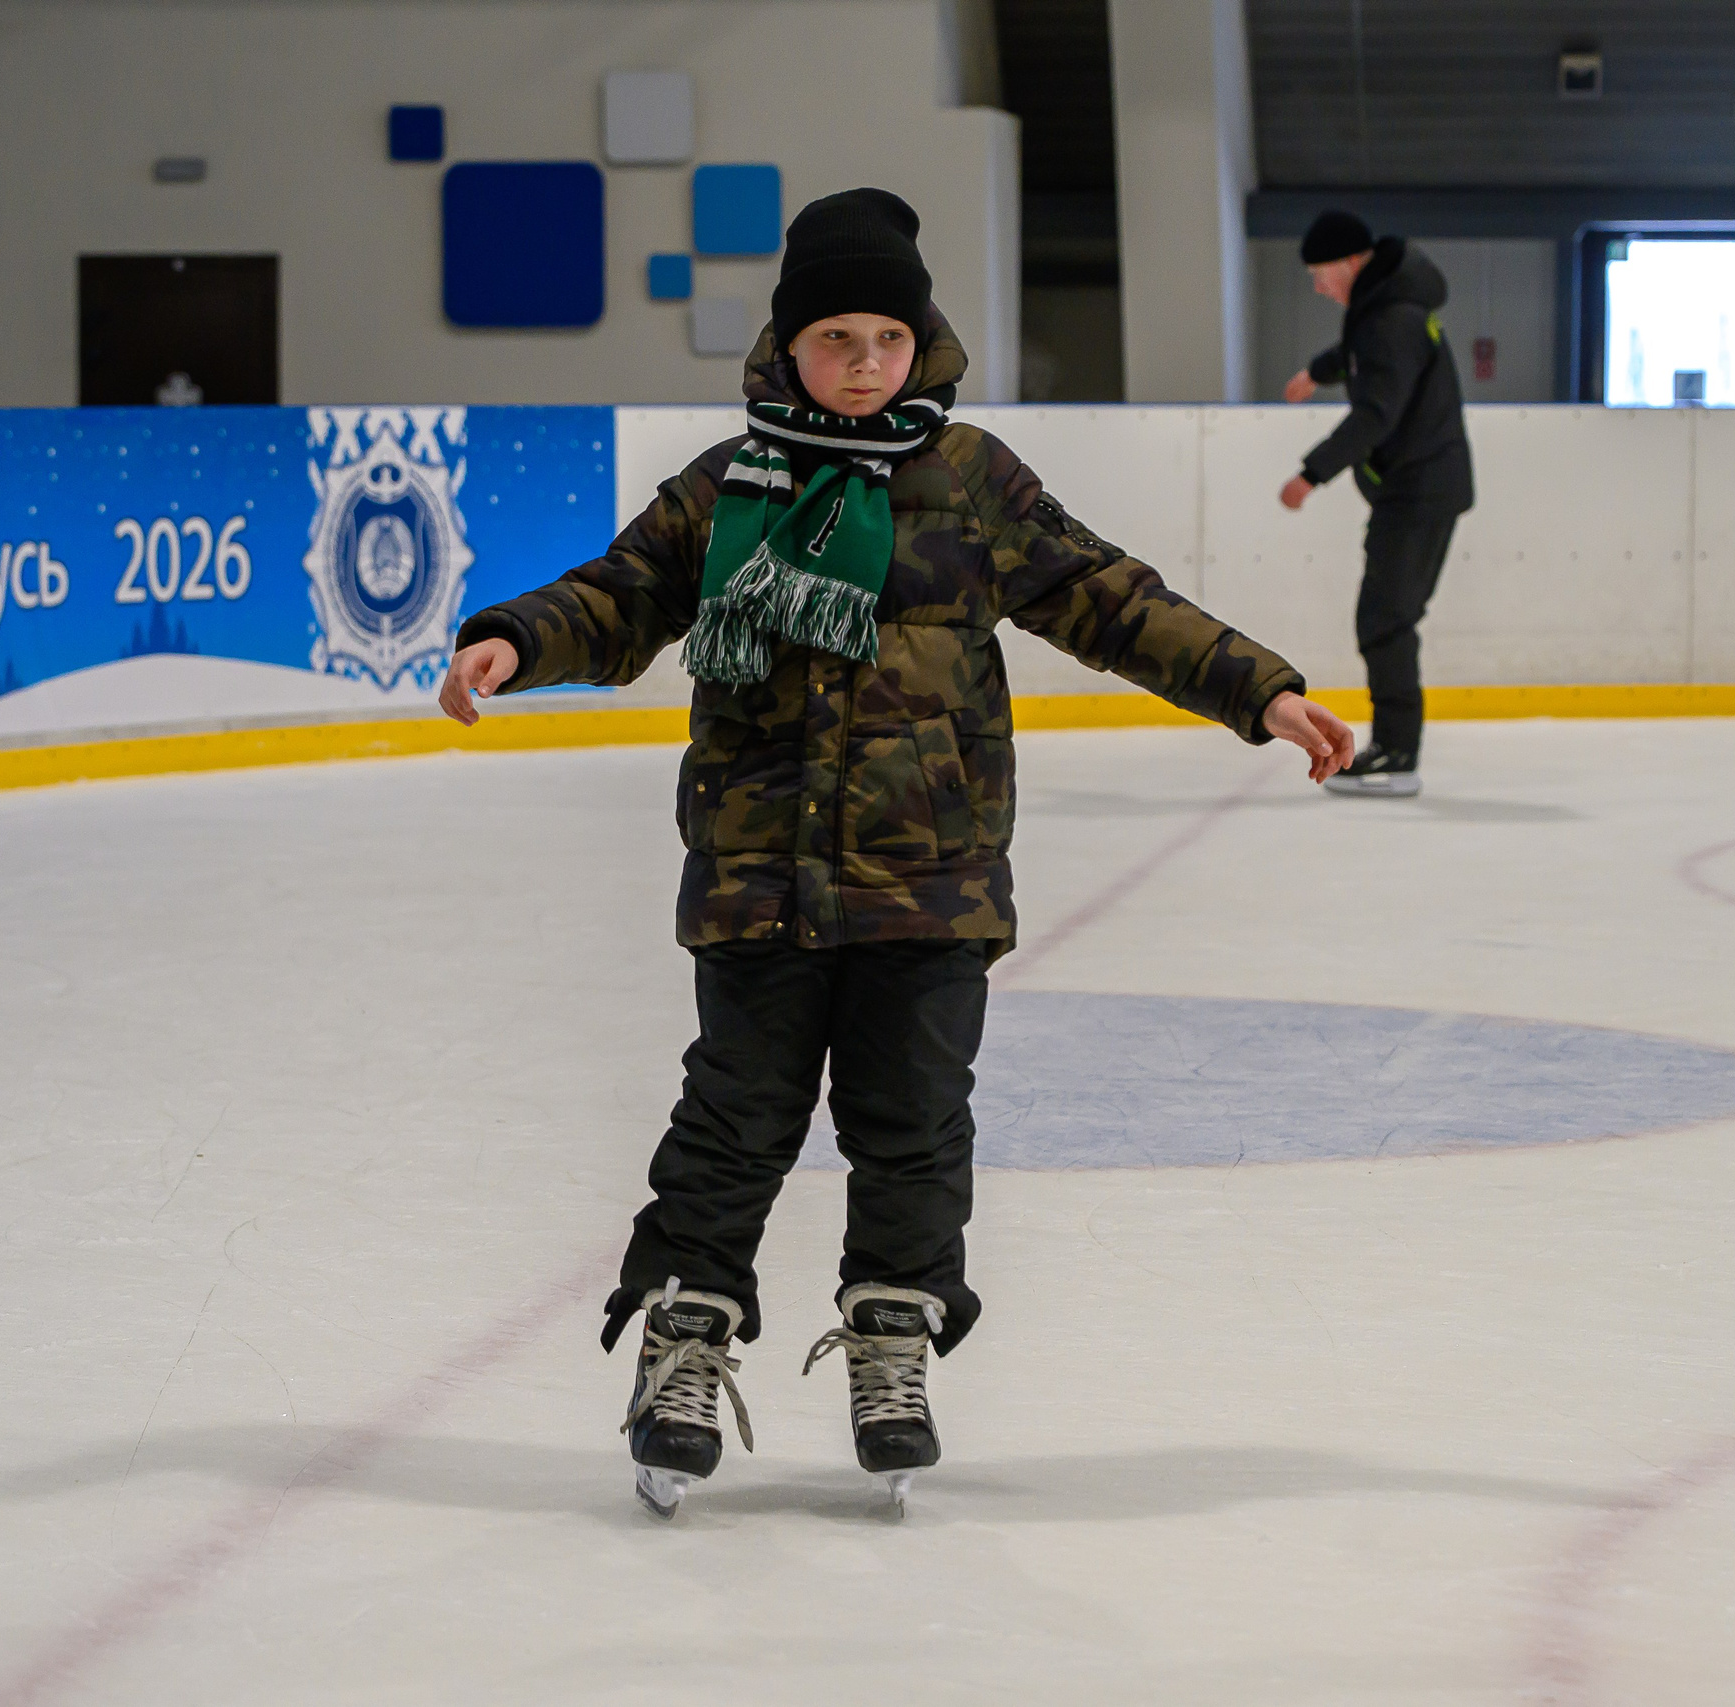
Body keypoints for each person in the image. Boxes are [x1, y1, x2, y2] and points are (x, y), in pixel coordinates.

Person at [440, 188, 1354, 1518]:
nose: (865, 364)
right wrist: (516, 637)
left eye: (888, 337)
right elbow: (622, 595)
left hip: (930, 880)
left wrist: (1256, 690)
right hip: (759, 876)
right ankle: (683, 1345)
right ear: (787, 346)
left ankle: (892, 1345)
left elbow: (1108, 598)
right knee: (733, 1122)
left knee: (913, 1126)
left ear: (921, 342)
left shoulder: (971, 480)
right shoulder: (725, 487)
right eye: (836, 339)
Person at [1278, 211, 1473, 798]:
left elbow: (1376, 412)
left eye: (1320, 273)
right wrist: (1318, 371)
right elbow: (1360, 356)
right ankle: (1395, 747)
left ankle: (1396, 753)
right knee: (1385, 618)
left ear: (1350, 262)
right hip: (1412, 489)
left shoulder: (1392, 318)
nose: (1319, 287)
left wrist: (1310, 474)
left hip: (1419, 491)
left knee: (1385, 620)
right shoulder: (1386, 311)